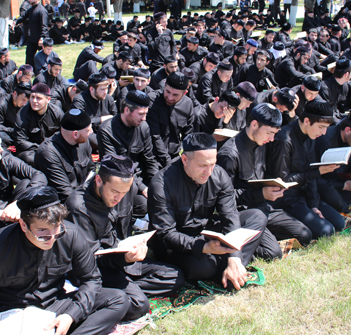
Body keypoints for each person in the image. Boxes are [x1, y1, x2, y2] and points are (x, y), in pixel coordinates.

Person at [0, 186, 130, 335]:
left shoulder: (69, 234)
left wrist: (71, 315)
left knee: (118, 299)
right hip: (10, 312)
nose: (51, 239)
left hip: (53, 303)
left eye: (57, 230)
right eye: (42, 232)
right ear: (23, 225)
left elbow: (91, 279)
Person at [148, 133, 279, 289]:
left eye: (212, 164)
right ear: (185, 160)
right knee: (204, 267)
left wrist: (234, 257)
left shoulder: (219, 175)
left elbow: (230, 216)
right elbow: (166, 234)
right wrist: (203, 247)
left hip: (206, 232)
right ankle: (227, 268)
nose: (208, 172)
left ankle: (233, 267)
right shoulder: (161, 184)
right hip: (178, 244)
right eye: (202, 165)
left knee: (256, 217)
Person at [66, 154, 184, 320]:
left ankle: (120, 292)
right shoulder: (79, 207)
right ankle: (111, 296)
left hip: (122, 258)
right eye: (114, 191)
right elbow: (88, 262)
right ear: (98, 180)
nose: (119, 198)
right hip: (97, 270)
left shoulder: (125, 189)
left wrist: (131, 251)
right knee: (138, 304)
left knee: (175, 276)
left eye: (125, 192)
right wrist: (125, 258)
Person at [217, 103, 311, 247]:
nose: (272, 139)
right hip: (243, 213)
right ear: (254, 124)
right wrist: (261, 193)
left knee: (304, 235)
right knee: (272, 252)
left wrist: (273, 183)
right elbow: (224, 200)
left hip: (264, 207)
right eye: (269, 133)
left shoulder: (262, 143)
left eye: (275, 133)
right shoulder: (230, 154)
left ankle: (260, 237)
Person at [266, 101, 346, 242]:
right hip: (286, 198)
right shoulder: (284, 140)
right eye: (321, 127)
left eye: (326, 128)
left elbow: (311, 170)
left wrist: (313, 204)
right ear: (307, 121)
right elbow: (282, 181)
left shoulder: (311, 136)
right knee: (325, 231)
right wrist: (318, 172)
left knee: (339, 223)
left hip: (303, 193)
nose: (324, 133)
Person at [98, 90, 159, 217]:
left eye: (145, 114)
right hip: (119, 183)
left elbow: (150, 160)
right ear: (127, 110)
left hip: (139, 178)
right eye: (141, 114)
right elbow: (116, 168)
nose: (144, 118)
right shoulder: (106, 131)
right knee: (142, 202)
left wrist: (157, 184)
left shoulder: (143, 127)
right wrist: (143, 188)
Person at [35, 109, 95, 202]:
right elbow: (65, 193)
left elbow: (91, 171)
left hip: (83, 195)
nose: (91, 132)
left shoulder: (83, 141)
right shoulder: (48, 153)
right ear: (75, 134)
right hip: (65, 202)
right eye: (88, 130)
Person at [146, 72, 194, 167]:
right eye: (167, 91)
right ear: (164, 85)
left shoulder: (188, 104)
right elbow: (155, 136)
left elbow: (188, 135)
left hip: (175, 155)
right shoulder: (153, 100)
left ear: (184, 93)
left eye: (175, 95)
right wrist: (169, 164)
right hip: (153, 156)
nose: (170, 97)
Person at [13, 83, 64, 165]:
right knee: (26, 157)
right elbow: (20, 141)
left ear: (48, 99)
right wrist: (41, 148)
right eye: (32, 97)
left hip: (53, 149)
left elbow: (65, 134)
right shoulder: (22, 114)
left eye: (39, 98)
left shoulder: (57, 113)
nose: (34, 101)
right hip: (33, 151)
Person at [0, 82, 31, 146]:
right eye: (23, 100)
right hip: (8, 132)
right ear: (15, 94)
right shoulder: (2, 104)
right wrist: (12, 130)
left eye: (27, 100)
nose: (24, 103)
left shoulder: (27, 104)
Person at [23, 0, 49, 65]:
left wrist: (42, 38)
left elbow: (44, 26)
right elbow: (23, 16)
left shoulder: (42, 10)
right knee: (29, 56)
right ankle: (29, 70)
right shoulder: (31, 10)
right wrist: (15, 21)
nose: (29, 0)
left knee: (43, 58)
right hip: (32, 38)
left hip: (41, 39)